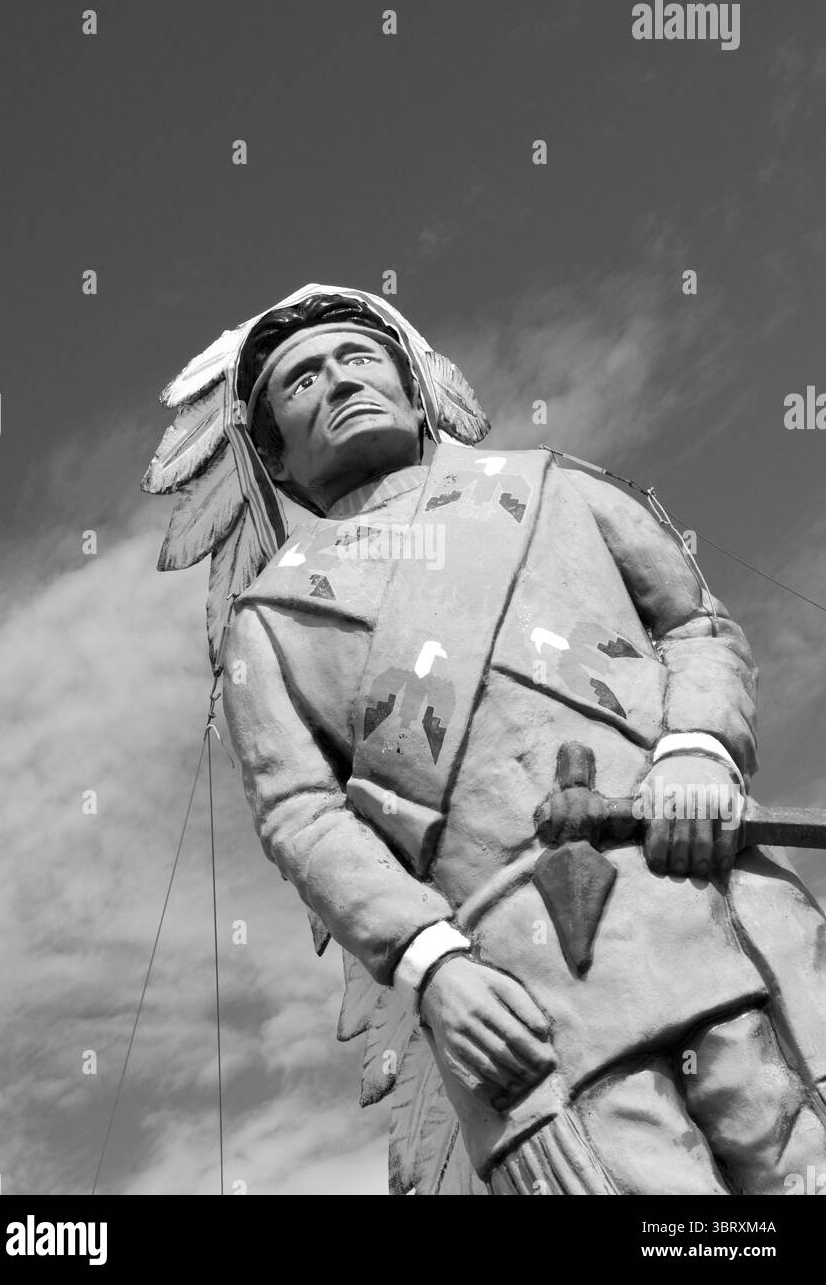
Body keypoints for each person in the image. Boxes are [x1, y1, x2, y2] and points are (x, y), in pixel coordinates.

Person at [145, 285, 826, 1195]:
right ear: (272, 453)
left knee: (797, 1149)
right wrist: (432, 969)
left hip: (707, 893)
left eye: (356, 356)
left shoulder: (555, 486)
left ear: (412, 380)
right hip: (519, 990)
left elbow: (694, 624)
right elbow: (301, 816)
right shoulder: (270, 625)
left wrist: (697, 748)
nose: (338, 381)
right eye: (300, 380)